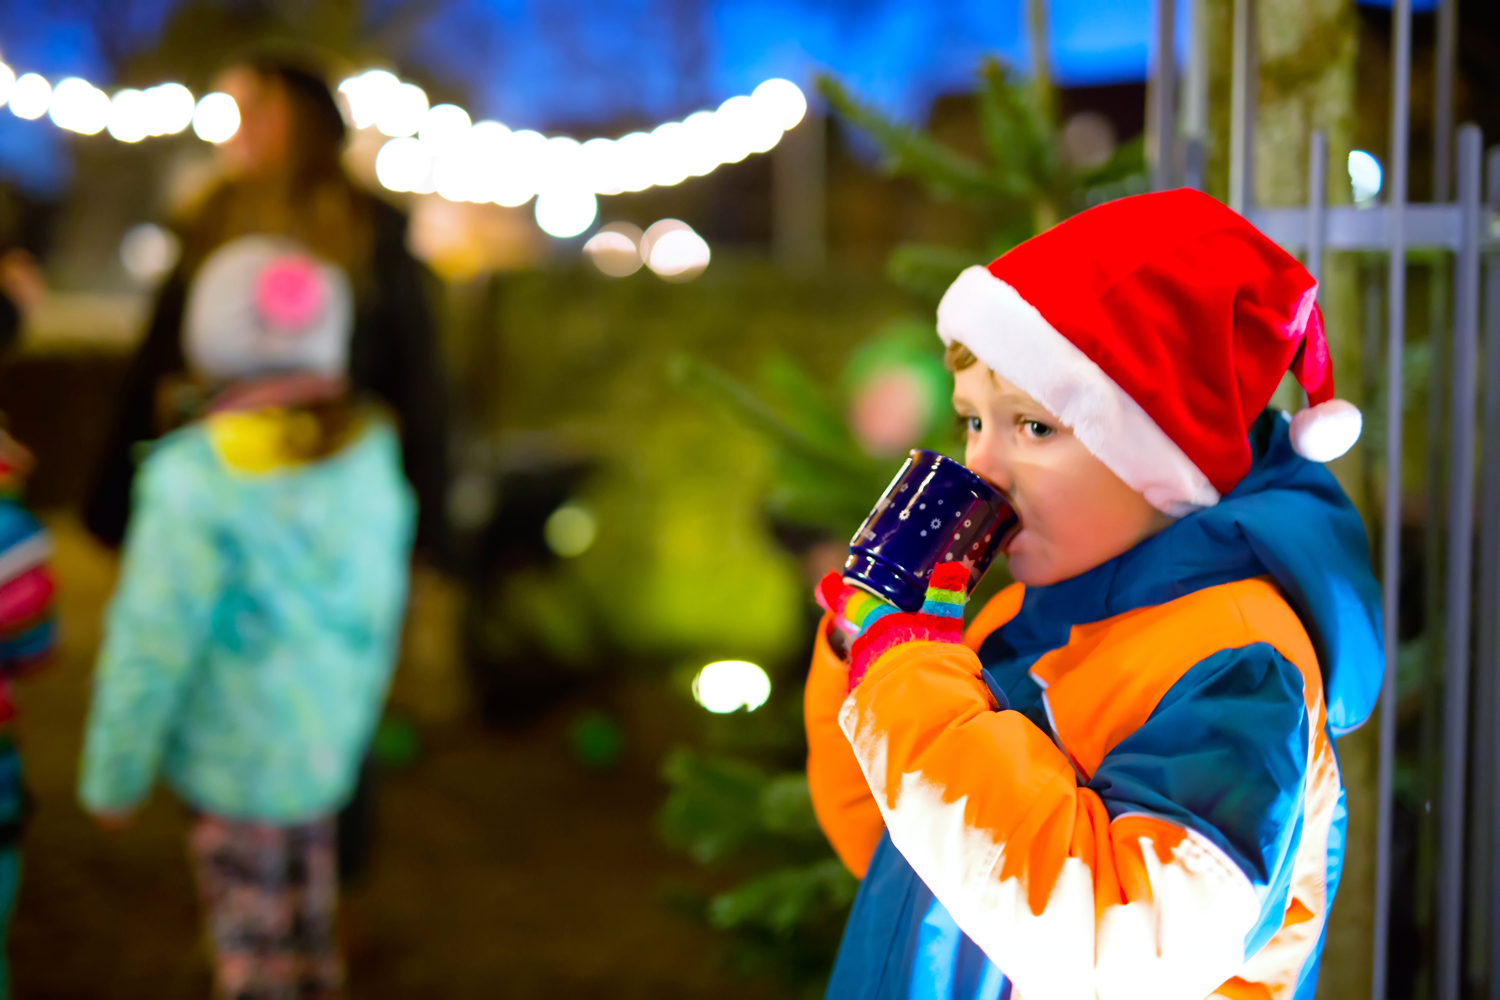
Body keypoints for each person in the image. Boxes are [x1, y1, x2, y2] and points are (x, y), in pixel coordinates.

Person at [806, 189, 1382, 999]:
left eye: (1033, 427)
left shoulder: (1240, 661)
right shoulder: (1024, 615)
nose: (984, 469)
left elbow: (1127, 941)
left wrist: (908, 684)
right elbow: (910, 857)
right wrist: (861, 656)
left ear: (1163, 458)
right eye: (973, 422)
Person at [78, 235, 415, 999]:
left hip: (231, 763)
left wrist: (115, 774)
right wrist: (350, 725)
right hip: (324, 748)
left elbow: (151, 639)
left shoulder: (194, 480)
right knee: (305, 927)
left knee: (249, 944)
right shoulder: (368, 458)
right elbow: (380, 608)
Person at [83, 53, 447, 561]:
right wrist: (114, 500)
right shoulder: (208, 216)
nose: (239, 127)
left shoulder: (368, 229)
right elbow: (157, 354)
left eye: (258, 107)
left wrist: (429, 525)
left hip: (326, 487)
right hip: (210, 476)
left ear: (303, 118)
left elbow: (412, 372)